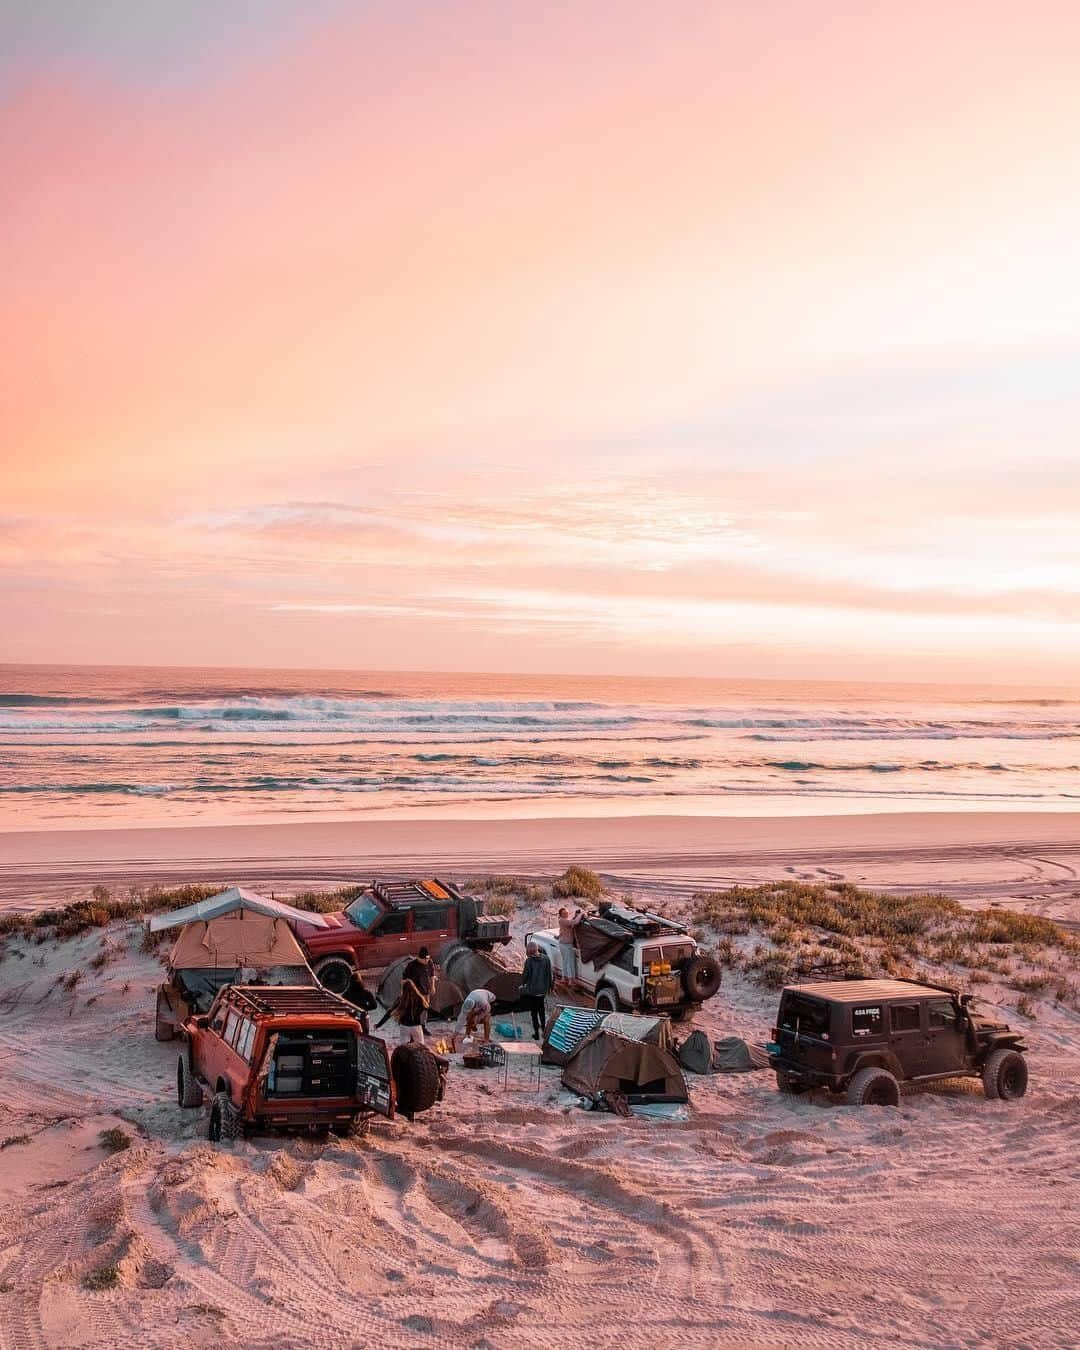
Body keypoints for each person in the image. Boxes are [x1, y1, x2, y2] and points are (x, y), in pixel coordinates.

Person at [519, 941, 554, 1040]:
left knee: (534, 1013)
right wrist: (551, 987)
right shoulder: (546, 959)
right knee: (541, 1010)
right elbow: (549, 974)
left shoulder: (529, 961)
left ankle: (536, 1034)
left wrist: (522, 985)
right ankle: (544, 1030)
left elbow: (525, 976)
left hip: (533, 991)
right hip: (543, 990)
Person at [557, 907, 584, 982]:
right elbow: (575, 922)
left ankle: (564, 978)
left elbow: (568, 925)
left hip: (563, 943)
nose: (566, 914)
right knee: (570, 962)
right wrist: (581, 914)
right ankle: (570, 980)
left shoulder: (563, 921)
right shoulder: (563, 921)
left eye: (567, 913)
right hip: (566, 944)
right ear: (561, 915)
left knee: (565, 961)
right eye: (564, 913)